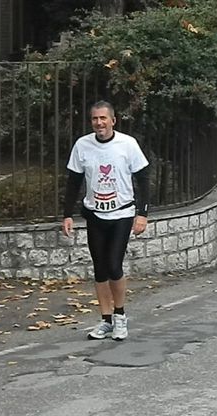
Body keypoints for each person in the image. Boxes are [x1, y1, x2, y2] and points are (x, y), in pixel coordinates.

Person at [62, 100, 149, 341]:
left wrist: (142, 213)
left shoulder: (127, 145)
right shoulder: (83, 145)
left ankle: (120, 316)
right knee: (100, 269)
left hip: (121, 214)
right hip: (95, 214)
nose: (99, 123)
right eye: (94, 119)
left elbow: (143, 179)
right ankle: (106, 319)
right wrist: (67, 214)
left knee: (113, 265)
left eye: (103, 118)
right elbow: (73, 181)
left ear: (113, 120)